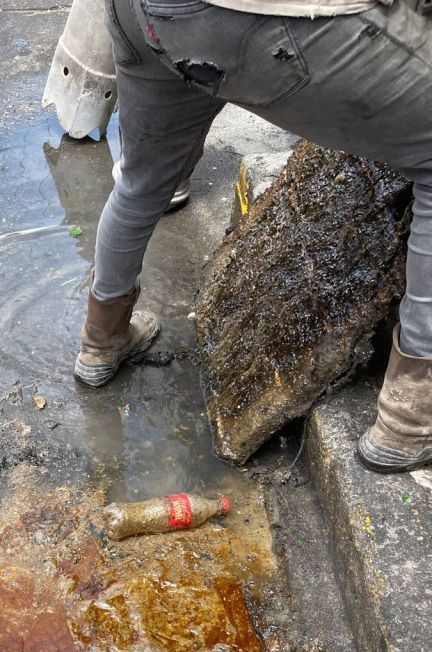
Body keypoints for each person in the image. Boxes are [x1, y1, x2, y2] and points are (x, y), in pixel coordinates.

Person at [74, 0, 432, 473]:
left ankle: (100, 341)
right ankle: (407, 420)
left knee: (141, 179)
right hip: (257, 18)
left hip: (143, 12)